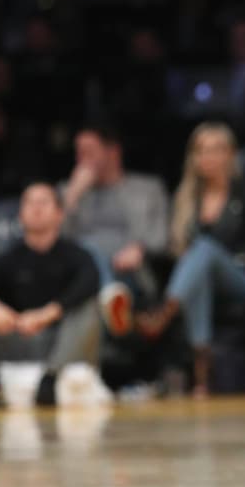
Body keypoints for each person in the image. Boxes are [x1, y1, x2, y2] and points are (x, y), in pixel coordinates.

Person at [135, 122, 245, 397]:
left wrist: (231, 258)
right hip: (200, 279)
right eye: (202, 151)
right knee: (200, 271)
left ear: (230, 154)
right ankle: (201, 376)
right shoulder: (185, 198)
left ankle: (164, 314)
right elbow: (175, 248)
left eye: (216, 150)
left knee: (205, 249)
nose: (208, 157)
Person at [0, 182, 102, 372]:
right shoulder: (7, 257)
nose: (36, 208)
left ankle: (52, 377)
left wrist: (49, 313)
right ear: (20, 215)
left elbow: (90, 280)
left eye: (43, 202)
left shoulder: (77, 255)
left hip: (61, 344)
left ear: (59, 213)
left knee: (89, 306)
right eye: (29, 203)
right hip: (18, 337)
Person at [60, 125, 170, 335]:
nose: (82, 160)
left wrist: (140, 247)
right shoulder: (68, 192)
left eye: (89, 152)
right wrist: (72, 196)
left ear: (113, 151)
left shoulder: (148, 189)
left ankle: (111, 298)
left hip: (128, 272)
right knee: (87, 249)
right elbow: (52, 242)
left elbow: (161, 238)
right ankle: (110, 298)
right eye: (79, 153)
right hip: (78, 276)